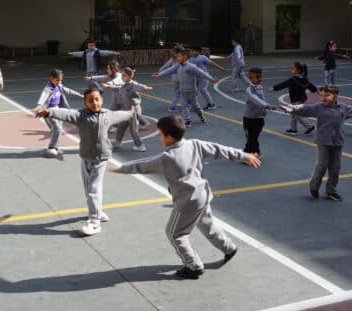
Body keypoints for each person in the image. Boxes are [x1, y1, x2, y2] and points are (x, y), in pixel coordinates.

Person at [108, 115, 261, 279]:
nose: (159, 136)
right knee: (207, 225)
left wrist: (121, 168)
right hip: (202, 195)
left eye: (160, 134)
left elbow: (143, 165)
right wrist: (243, 155)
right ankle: (229, 248)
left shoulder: (168, 158)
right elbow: (220, 150)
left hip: (187, 202)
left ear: (169, 137)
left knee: (175, 234)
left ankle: (193, 266)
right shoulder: (195, 144)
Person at [33, 88, 133, 236]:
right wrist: (48, 112)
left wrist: (131, 112)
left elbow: (120, 115)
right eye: (90, 100)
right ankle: (97, 212)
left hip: (101, 158)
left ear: (102, 100)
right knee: (89, 189)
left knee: (93, 188)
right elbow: (66, 113)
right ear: (85, 102)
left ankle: (94, 221)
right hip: (86, 157)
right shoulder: (81, 116)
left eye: (97, 99)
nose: (94, 103)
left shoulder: (108, 115)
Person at [282, 85, 352, 201]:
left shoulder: (343, 108)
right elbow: (305, 108)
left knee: (335, 167)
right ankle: (314, 186)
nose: (323, 98)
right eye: (321, 96)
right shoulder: (319, 108)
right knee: (322, 166)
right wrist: (291, 108)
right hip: (323, 141)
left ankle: (330, 191)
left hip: (337, 142)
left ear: (336, 96)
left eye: (327, 95)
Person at [154, 46, 215, 125]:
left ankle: (201, 116)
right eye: (177, 57)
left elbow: (202, 73)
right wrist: (159, 75)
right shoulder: (178, 66)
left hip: (192, 91)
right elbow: (169, 70)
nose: (178, 58)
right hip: (183, 91)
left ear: (185, 57)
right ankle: (187, 120)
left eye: (179, 57)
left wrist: (211, 79)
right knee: (184, 106)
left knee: (196, 107)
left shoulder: (191, 66)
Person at [35, 69, 84, 158]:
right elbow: (43, 96)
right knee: (57, 129)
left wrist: (79, 95)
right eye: (57, 80)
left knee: (59, 129)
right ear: (51, 78)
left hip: (58, 109)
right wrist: (39, 105)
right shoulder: (48, 88)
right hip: (49, 111)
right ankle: (51, 147)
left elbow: (68, 90)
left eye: (61, 80)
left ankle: (56, 148)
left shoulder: (59, 86)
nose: (59, 82)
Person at [107, 67, 153, 152]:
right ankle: (118, 142)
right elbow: (117, 87)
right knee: (121, 126)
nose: (122, 77)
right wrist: (109, 86)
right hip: (126, 110)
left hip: (133, 110)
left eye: (124, 76)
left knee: (133, 129)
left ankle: (140, 146)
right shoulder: (123, 84)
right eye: (122, 75)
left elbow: (139, 86)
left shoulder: (132, 84)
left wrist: (145, 87)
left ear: (130, 77)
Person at [270, 62, 317, 135]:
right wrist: (315, 90)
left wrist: (274, 88)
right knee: (293, 114)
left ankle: (310, 127)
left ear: (298, 70)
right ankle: (293, 129)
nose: (291, 70)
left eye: (292, 68)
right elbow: (311, 86)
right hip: (301, 98)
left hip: (296, 100)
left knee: (296, 114)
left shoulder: (293, 79)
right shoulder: (304, 78)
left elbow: (283, 84)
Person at [243, 67, 276, 157]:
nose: (259, 79)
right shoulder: (249, 89)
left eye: (260, 77)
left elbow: (262, 99)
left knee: (254, 137)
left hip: (258, 118)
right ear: (251, 78)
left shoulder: (259, 87)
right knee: (251, 138)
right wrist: (267, 106)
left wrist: (264, 112)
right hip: (249, 118)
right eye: (257, 77)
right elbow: (256, 100)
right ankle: (251, 154)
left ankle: (252, 153)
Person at [188, 45, 226, 110]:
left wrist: (220, 68)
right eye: (190, 51)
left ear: (198, 51)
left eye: (193, 51)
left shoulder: (202, 57)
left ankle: (211, 105)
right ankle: (194, 105)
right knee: (194, 92)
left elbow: (211, 63)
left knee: (203, 90)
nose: (191, 52)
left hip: (204, 77)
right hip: (195, 78)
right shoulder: (190, 59)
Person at [157, 45, 184, 112]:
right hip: (183, 78)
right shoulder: (182, 58)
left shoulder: (172, 58)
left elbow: (165, 66)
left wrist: (159, 72)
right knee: (186, 91)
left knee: (177, 93)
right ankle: (172, 107)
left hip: (175, 78)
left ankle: (183, 105)